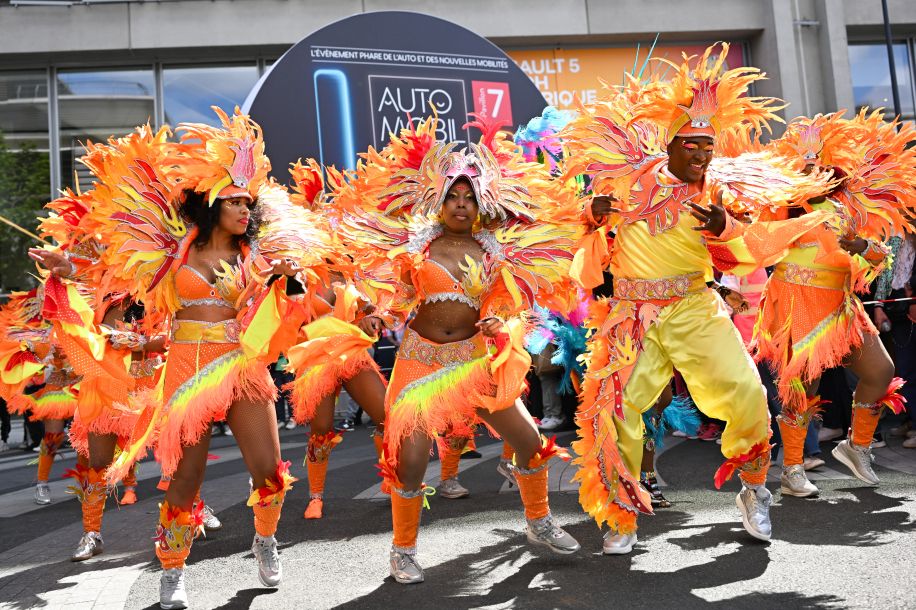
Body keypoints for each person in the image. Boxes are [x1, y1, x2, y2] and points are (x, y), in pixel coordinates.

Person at [563, 43, 832, 554]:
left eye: (709, 147)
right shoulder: (626, 186)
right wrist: (591, 217)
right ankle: (619, 513)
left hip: (694, 307)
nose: (703, 156)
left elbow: (751, 251)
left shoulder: (720, 191)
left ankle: (754, 489)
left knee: (748, 393)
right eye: (692, 146)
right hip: (632, 318)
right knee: (615, 409)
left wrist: (723, 225)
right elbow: (583, 261)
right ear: (668, 146)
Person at [70, 113, 330, 609]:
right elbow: (119, 269)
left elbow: (288, 308)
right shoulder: (172, 254)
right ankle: (172, 570)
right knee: (186, 480)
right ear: (210, 205)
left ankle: (265, 541)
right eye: (233, 201)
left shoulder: (258, 256)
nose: (243, 209)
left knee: (269, 473)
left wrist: (287, 280)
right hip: (188, 369)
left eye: (247, 202)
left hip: (240, 366)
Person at [335, 116, 583, 583]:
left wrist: (501, 321)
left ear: (482, 203)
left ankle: (539, 521)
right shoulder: (414, 246)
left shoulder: (495, 252)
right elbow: (387, 291)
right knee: (409, 462)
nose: (462, 205)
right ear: (439, 199)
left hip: (473, 360)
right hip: (419, 360)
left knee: (530, 441)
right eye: (454, 196)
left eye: (470, 198)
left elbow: (512, 304)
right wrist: (372, 311)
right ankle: (403, 550)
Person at [710, 111, 914, 493]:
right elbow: (751, 244)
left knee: (880, 373)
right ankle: (791, 469)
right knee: (802, 390)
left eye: (820, 164)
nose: (815, 170)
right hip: (797, 301)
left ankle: (857, 447)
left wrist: (863, 246)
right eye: (807, 164)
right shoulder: (780, 208)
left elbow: (880, 262)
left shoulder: (845, 209)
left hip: (843, 307)